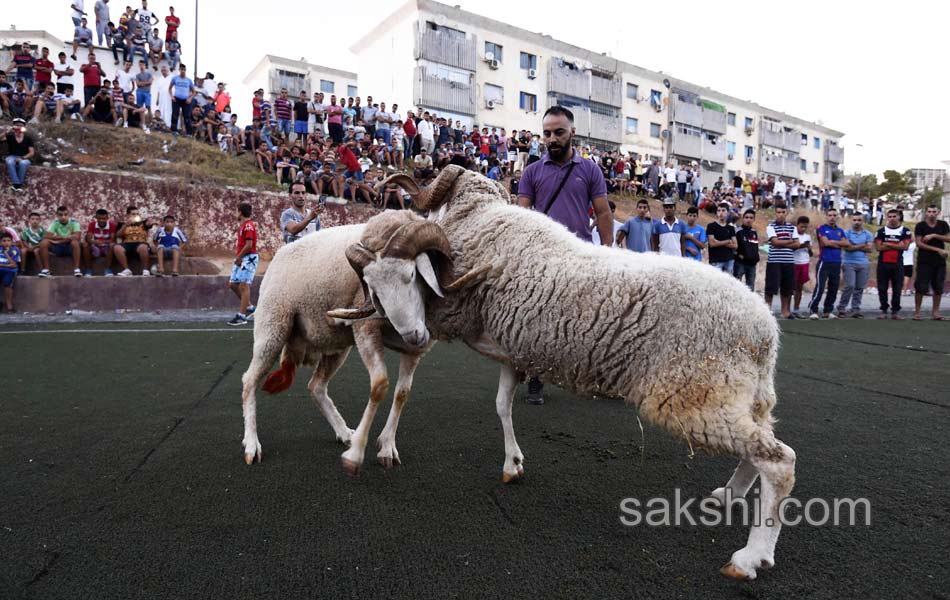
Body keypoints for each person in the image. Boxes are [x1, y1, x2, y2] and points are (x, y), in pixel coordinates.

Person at [516, 105, 610, 404]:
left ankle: (600, 377)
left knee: (589, 318)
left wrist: (609, 252)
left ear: (572, 133)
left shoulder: (590, 169)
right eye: (547, 133)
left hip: (580, 254)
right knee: (538, 320)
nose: (552, 139)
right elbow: (522, 214)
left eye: (558, 132)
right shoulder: (531, 172)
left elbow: (603, 211)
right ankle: (536, 378)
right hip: (542, 257)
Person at [807, 208, 846, 319]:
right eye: (830, 215)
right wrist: (839, 243)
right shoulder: (822, 228)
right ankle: (813, 309)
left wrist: (833, 242)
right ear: (826, 216)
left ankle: (827, 311)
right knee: (820, 287)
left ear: (837, 216)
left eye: (834, 215)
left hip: (837, 262)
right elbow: (825, 243)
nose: (832, 217)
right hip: (825, 262)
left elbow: (847, 243)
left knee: (833, 288)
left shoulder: (840, 231)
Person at [913, 205, 949, 320]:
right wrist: (938, 249)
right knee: (920, 286)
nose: (932, 214)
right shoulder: (920, 226)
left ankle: (936, 313)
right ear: (926, 213)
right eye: (929, 211)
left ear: (938, 212)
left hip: (939, 261)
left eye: (934, 211)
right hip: (925, 260)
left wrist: (934, 235)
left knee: (938, 286)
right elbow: (919, 243)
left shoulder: (943, 225)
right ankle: (917, 312)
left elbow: (949, 238)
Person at [874, 209, 912, 320]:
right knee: (882, 288)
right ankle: (883, 310)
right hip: (883, 263)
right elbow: (878, 247)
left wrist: (887, 243)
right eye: (889, 216)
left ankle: (895, 311)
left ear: (899, 217)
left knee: (897, 288)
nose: (891, 218)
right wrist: (896, 244)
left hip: (898, 263)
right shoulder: (881, 231)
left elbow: (905, 247)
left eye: (894, 216)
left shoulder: (905, 231)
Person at [764, 202, 799, 318]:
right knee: (771, 288)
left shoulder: (792, 227)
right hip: (774, 262)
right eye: (778, 212)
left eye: (783, 212)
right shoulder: (770, 227)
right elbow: (775, 242)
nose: (781, 215)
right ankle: (767, 312)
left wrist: (782, 243)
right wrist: (790, 241)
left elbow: (797, 244)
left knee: (787, 289)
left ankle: (785, 311)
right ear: (775, 213)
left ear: (787, 213)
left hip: (788, 262)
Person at [837, 213, 874, 318]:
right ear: (851, 220)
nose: (857, 222)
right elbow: (847, 248)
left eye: (859, 220)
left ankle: (855, 309)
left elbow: (870, 249)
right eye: (855, 220)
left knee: (859, 287)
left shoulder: (868, 234)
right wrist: (863, 245)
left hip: (863, 263)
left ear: (863, 221)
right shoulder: (846, 233)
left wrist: (854, 245)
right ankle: (842, 307)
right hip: (849, 262)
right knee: (850, 285)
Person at [228, 203, 258, 326]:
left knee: (244, 286)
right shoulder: (243, 226)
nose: (236, 214)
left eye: (236, 211)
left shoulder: (249, 226)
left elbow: (249, 245)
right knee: (233, 284)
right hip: (242, 258)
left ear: (240, 212)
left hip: (248, 258)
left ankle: (241, 316)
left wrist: (239, 256)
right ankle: (250, 308)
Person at [38, 206, 83, 277]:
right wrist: (61, 237)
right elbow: (46, 236)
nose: (63, 217)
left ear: (69, 215)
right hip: (58, 248)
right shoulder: (55, 223)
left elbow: (77, 237)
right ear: (57, 216)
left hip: (69, 248)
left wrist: (59, 241)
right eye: (60, 215)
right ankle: (46, 270)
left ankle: (76, 270)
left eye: (65, 214)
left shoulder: (74, 223)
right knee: (44, 242)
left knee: (75, 242)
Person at [114, 205, 152, 276]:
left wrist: (150, 222)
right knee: (117, 248)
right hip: (127, 245)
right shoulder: (122, 224)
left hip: (140, 244)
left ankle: (146, 270)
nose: (135, 216)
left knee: (143, 247)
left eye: (137, 214)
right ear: (128, 215)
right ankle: (126, 270)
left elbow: (149, 224)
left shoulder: (143, 223)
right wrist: (125, 225)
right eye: (133, 214)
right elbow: (118, 235)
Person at [82, 208, 116, 276]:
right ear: (96, 218)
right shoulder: (92, 224)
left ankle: (107, 269)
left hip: (106, 248)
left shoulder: (112, 225)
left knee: (112, 245)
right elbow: (89, 239)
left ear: (107, 218)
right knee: (85, 245)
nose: (101, 220)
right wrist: (95, 242)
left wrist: (103, 242)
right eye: (99, 218)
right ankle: (88, 270)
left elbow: (112, 239)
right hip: (95, 247)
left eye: (103, 218)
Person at [5, 118, 35, 192]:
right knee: (9, 161)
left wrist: (22, 158)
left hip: (25, 157)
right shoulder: (10, 136)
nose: (19, 127)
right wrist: (8, 131)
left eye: (21, 125)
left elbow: (31, 153)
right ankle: (17, 184)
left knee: (22, 163)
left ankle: (18, 185)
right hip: (12, 156)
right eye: (17, 125)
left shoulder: (28, 138)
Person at [734, 209, 759, 291]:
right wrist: (738, 255)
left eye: (751, 218)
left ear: (754, 219)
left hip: (752, 264)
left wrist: (756, 258)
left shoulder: (754, 232)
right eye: (746, 217)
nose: (749, 219)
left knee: (750, 288)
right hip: (740, 263)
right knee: (736, 286)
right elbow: (733, 246)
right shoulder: (737, 231)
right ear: (743, 218)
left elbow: (755, 247)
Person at [792, 216, 812, 317]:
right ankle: (786, 308)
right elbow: (791, 249)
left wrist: (808, 247)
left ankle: (796, 309)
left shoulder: (807, 237)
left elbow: (811, 252)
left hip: (804, 262)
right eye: (801, 226)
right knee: (792, 287)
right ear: (797, 225)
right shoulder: (793, 235)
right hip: (794, 262)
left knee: (799, 287)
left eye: (805, 227)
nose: (803, 229)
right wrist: (801, 245)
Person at [168, 63, 194, 134]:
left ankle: (189, 133)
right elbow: (169, 88)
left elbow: (194, 91)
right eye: (181, 69)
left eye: (184, 70)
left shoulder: (189, 80)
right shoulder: (175, 78)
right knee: (175, 114)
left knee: (187, 116)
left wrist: (190, 99)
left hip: (186, 101)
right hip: (176, 99)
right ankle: (174, 130)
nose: (183, 71)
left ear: (186, 70)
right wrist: (172, 96)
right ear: (179, 70)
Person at [0, 232, 20, 312]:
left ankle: (9, 305)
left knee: (8, 285)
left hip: (9, 271)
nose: (6, 243)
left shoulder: (15, 250)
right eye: (4, 241)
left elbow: (13, 265)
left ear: (12, 242)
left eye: (8, 241)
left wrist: (6, 253)